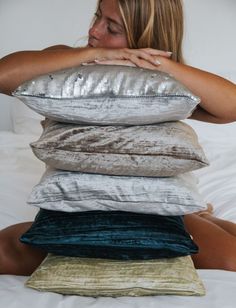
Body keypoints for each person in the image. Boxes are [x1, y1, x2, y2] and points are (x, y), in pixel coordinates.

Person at [0, 0, 236, 275]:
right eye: (97, 17)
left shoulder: (163, 88)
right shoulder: (64, 68)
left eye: (111, 27)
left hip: (155, 207)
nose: (94, 31)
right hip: (77, 209)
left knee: (230, 260)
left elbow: (230, 106)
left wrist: (155, 63)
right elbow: (5, 74)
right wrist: (97, 54)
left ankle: (199, 215)